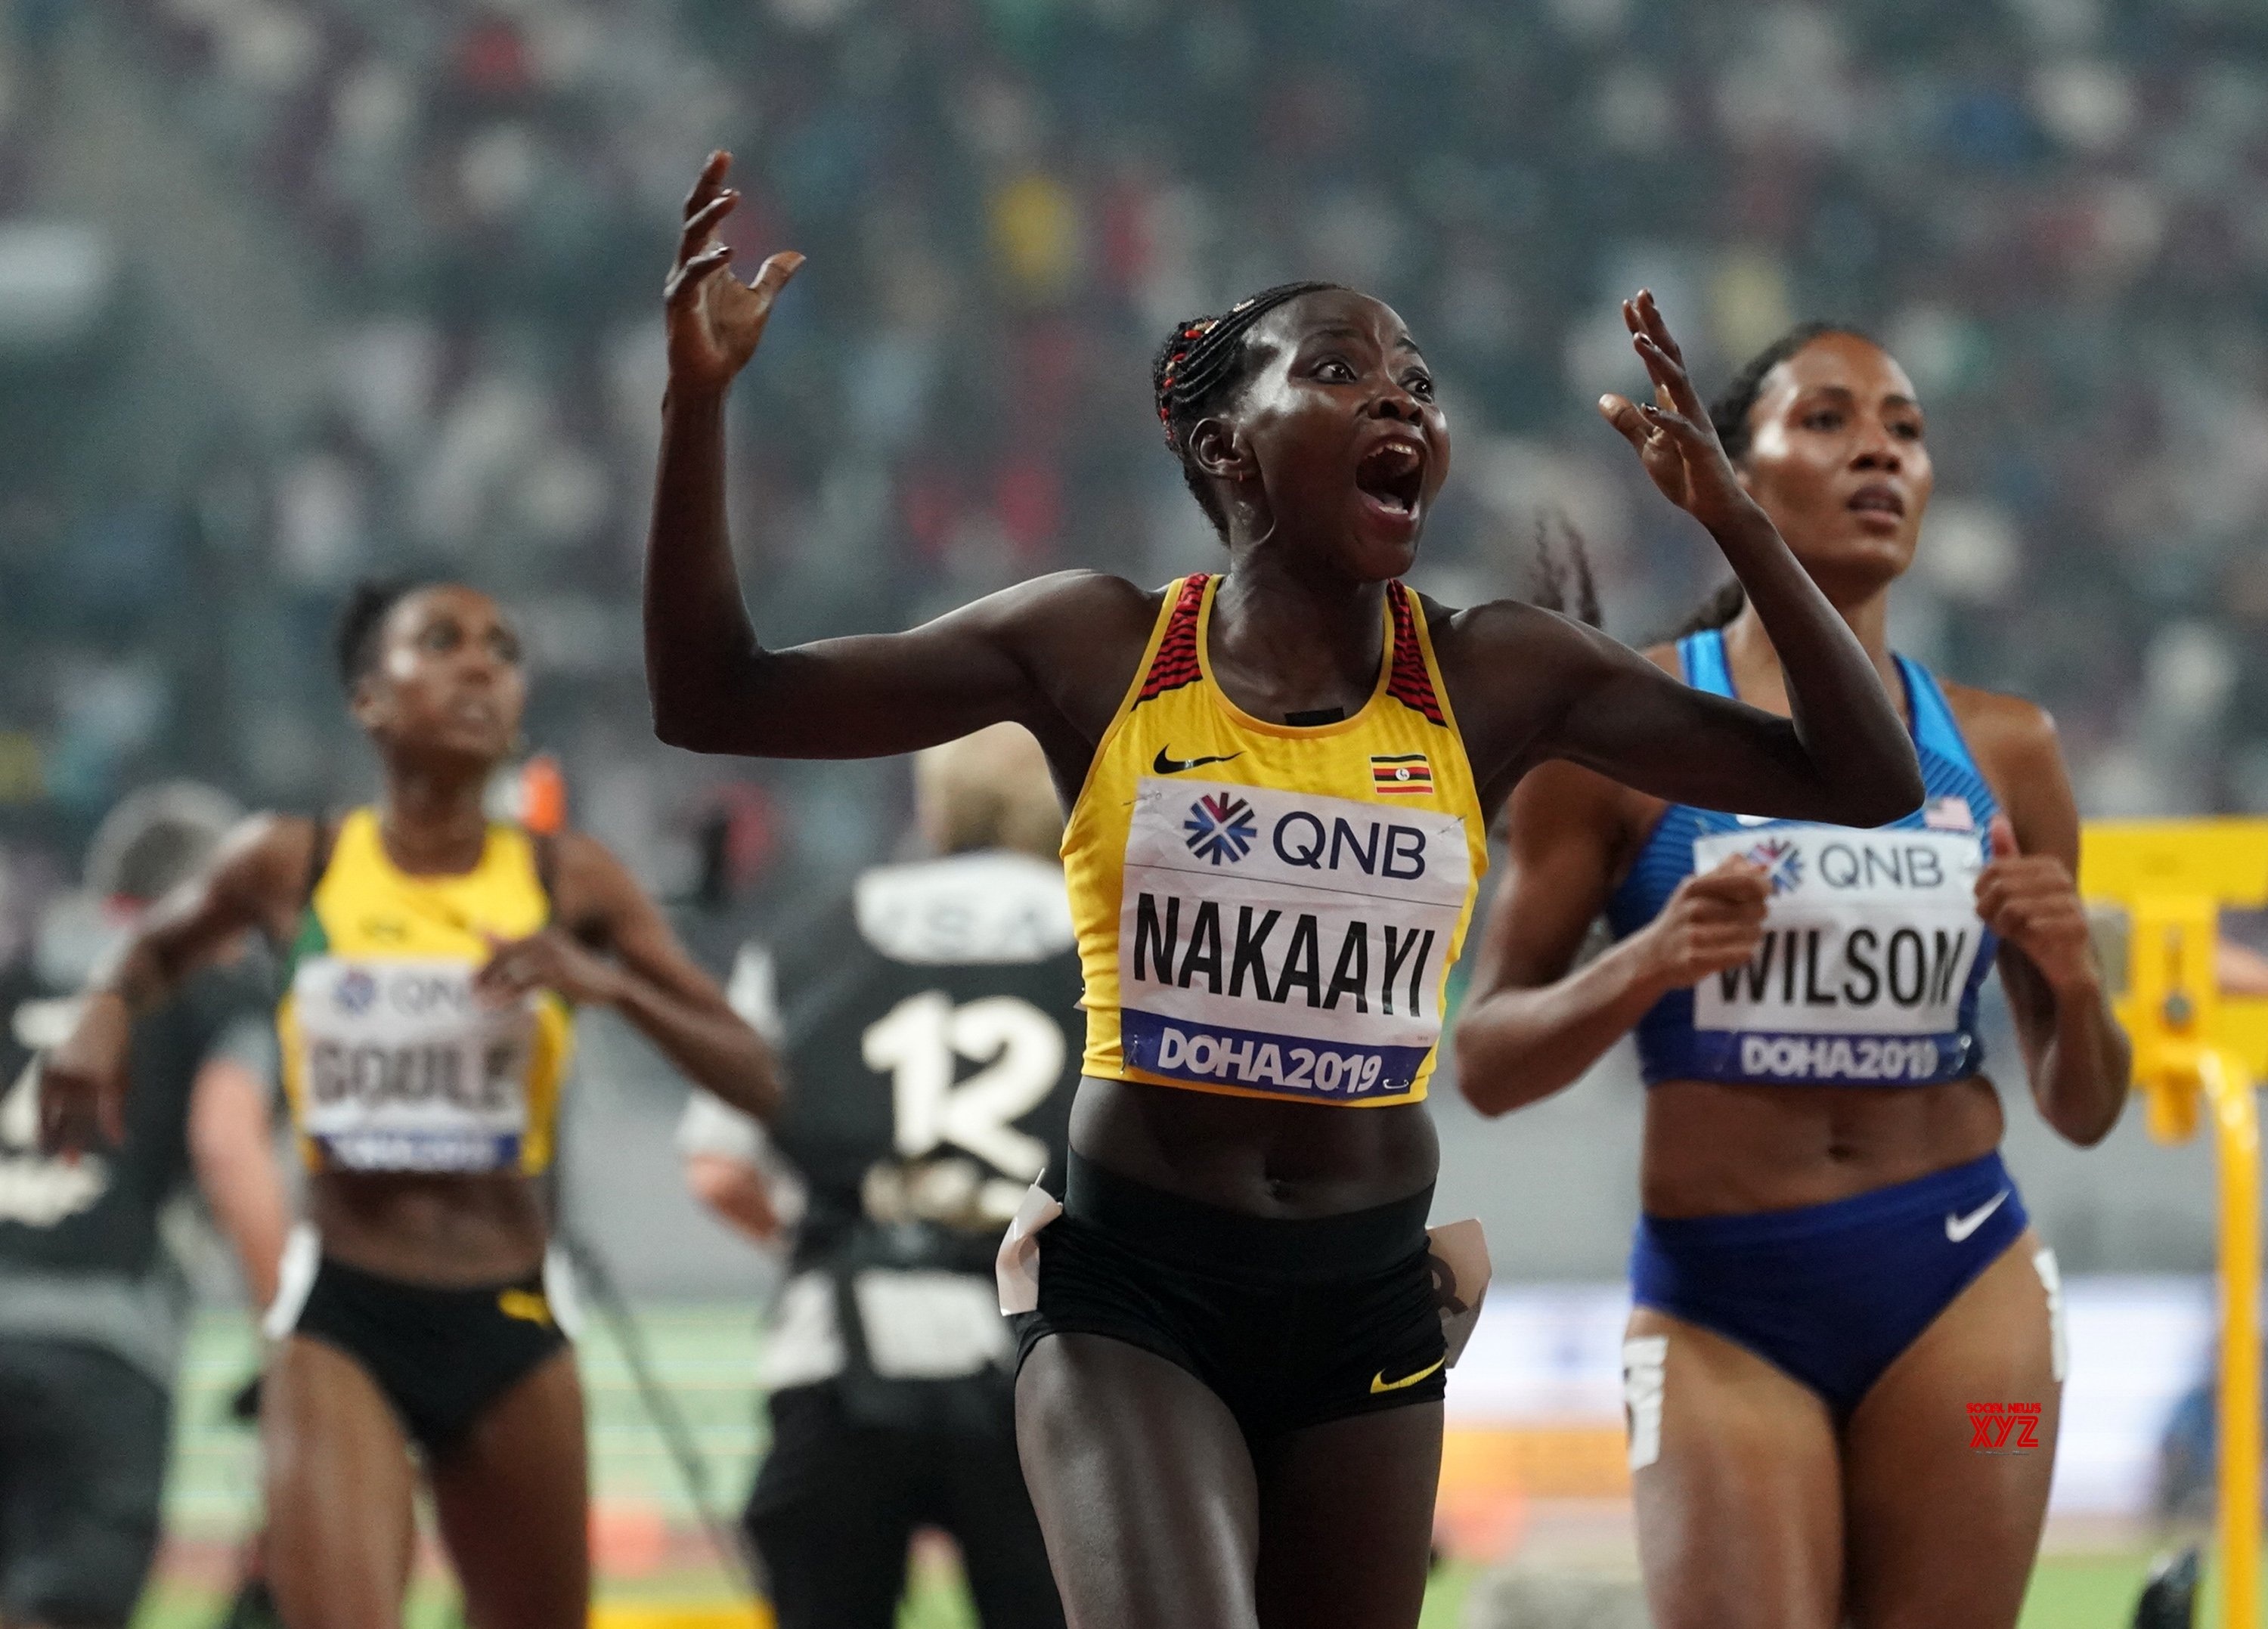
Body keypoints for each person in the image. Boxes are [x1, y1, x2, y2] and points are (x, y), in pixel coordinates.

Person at [644, 149, 1924, 1629]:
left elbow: (1867, 779)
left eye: (1418, 383)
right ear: (1230, 453)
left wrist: (1737, 521)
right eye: (1340, 370)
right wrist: (697, 405)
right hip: (1137, 1291)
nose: (1403, 401)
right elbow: (714, 694)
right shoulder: (1100, 650)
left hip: (1369, 1299)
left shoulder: (1497, 673)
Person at [1454, 324, 2130, 1629]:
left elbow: (2085, 1106)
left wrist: (2070, 978)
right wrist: (1649, 961)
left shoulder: (2007, 747)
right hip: (1724, 1316)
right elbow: (1486, 1062)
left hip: (1967, 1301)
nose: (1881, 444)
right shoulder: (1622, 737)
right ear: (1736, 474)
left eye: (1907, 428)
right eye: (1828, 418)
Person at [40, 581, 779, 1629]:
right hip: (346, 1309)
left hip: (513, 1309)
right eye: (441, 642)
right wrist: (102, 1015)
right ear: (368, 700)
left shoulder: (572, 880)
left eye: (501, 649)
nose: (481, 665)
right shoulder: (293, 862)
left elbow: (757, 1074)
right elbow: (155, 944)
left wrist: (611, 983)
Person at [680, 722, 1074, 1629]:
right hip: (1053, 1357)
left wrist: (847, 1247)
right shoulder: (1116, 936)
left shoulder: (817, 931)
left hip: (841, 1348)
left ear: (934, 803)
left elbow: (718, 1166)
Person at [0, 783, 288, 1629]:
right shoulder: (210, 987)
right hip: (104, 1344)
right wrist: (290, 1338)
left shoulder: (16, 972)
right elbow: (226, 1143)